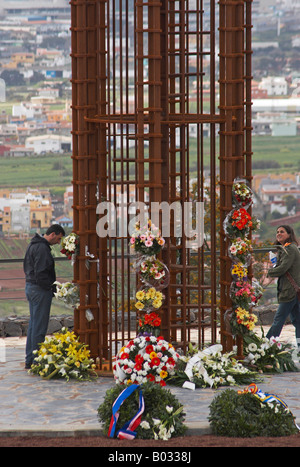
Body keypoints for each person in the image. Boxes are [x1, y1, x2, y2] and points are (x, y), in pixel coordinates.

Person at [23, 224, 65, 369]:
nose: (58, 243)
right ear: (53, 234)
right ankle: (36, 360)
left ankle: (30, 359)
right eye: (58, 239)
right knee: (39, 327)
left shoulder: (33, 244)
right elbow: (41, 273)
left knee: (33, 325)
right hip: (40, 290)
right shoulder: (42, 248)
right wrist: (50, 287)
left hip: (30, 287)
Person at [266, 225, 300, 348]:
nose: (278, 234)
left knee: (278, 320)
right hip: (294, 290)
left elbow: (283, 268)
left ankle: (267, 345)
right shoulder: (288, 249)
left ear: (289, 234)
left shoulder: (290, 249)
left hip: (289, 291)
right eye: (277, 232)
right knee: (297, 321)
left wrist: (270, 272)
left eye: (282, 232)